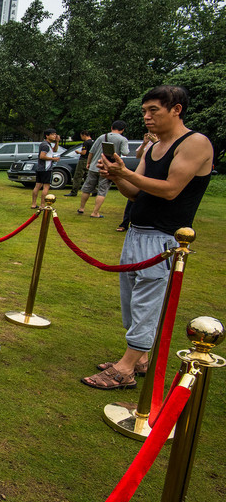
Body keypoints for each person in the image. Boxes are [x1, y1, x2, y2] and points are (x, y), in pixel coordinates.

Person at [82, 86, 213, 390]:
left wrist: (125, 174)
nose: (146, 117)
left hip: (165, 238)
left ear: (176, 109)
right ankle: (140, 357)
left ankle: (125, 369)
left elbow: (170, 189)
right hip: (137, 232)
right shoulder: (153, 146)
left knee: (147, 301)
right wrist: (116, 176)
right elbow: (135, 193)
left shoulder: (194, 143)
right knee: (130, 299)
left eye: (153, 110)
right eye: (144, 111)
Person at [76, 120, 130, 219]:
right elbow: (125, 152)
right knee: (102, 190)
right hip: (107, 168)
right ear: (122, 129)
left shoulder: (102, 137)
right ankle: (95, 212)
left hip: (94, 166)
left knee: (87, 187)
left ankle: (81, 208)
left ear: (111, 127)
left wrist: (89, 163)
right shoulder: (123, 139)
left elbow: (91, 151)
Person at [30, 129, 61, 209]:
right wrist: (53, 159)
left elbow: (54, 150)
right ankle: (42, 205)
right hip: (46, 168)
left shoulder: (47, 144)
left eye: (55, 134)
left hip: (40, 168)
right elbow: (42, 156)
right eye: (53, 134)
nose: (55, 136)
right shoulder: (45, 145)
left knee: (37, 186)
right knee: (46, 187)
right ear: (47, 136)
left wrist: (57, 142)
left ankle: (34, 204)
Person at [64, 130, 93, 197]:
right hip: (90, 160)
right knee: (88, 176)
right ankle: (94, 190)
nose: (81, 138)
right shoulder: (92, 142)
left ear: (84, 135)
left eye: (81, 136)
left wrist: (78, 152)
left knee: (77, 176)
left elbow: (84, 152)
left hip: (83, 160)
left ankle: (74, 191)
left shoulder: (85, 143)